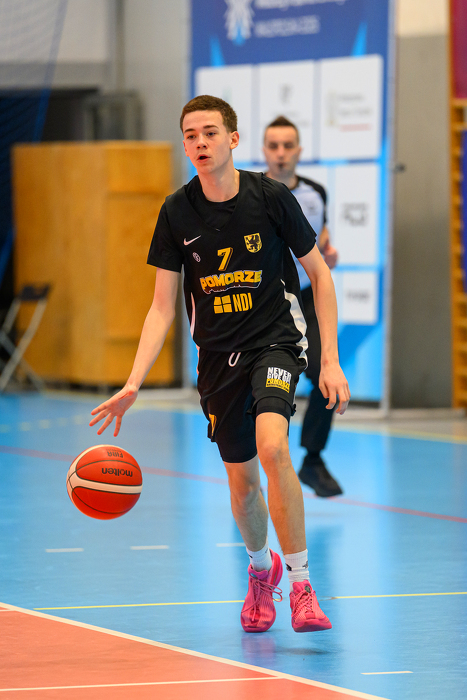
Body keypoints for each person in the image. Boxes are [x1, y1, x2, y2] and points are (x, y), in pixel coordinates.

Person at [90, 95, 350, 635]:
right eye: (190, 135)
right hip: (216, 359)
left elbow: (320, 275)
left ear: (232, 139)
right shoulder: (175, 211)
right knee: (243, 484)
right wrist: (134, 382)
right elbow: (162, 307)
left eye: (210, 132)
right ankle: (260, 570)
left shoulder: (271, 197)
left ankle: (302, 587)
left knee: (274, 447)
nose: (200, 143)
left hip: (275, 341)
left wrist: (330, 360)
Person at [263, 115, 343, 498]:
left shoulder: (316, 192)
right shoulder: (252, 192)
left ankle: (312, 459)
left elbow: (320, 240)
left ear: (299, 150)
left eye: (287, 145)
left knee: (327, 375)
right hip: (263, 300)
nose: (281, 153)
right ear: (264, 151)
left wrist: (327, 252)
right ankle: (252, 466)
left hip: (306, 297)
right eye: (273, 146)